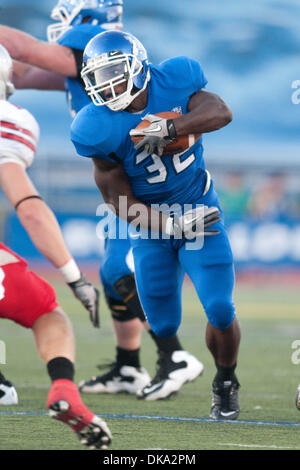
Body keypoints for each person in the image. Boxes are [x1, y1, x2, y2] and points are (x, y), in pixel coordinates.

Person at [0, 0, 204, 400]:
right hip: (120, 175)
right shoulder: (87, 71)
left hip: (136, 179)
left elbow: (19, 49)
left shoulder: (96, 47)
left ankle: (174, 355)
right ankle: (129, 366)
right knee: (113, 273)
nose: (58, 28)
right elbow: (18, 71)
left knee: (118, 268)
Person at [70, 30, 242, 419]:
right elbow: (119, 202)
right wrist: (173, 226)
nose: (108, 84)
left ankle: (226, 381)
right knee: (162, 322)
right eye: (98, 77)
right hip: (153, 227)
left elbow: (221, 112)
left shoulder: (175, 77)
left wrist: (170, 128)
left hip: (201, 207)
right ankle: (170, 360)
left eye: (115, 72)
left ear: (138, 64)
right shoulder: (94, 125)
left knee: (219, 307)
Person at [0, 44, 111, 449]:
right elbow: (29, 209)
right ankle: (63, 386)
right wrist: (74, 276)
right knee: (48, 314)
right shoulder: (12, 122)